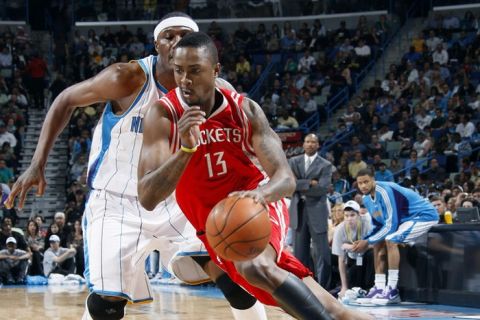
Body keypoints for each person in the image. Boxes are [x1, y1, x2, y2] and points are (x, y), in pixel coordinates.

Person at [5, 12, 266, 320]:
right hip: (116, 202)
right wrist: (37, 163)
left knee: (234, 279)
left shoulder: (215, 90)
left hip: (176, 200)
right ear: (156, 44)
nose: (177, 42)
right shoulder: (127, 78)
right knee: (106, 304)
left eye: (185, 36)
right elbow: (65, 100)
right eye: (169, 36)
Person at [138, 31, 372, 320]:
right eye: (178, 71)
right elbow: (147, 197)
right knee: (330, 308)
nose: (184, 80)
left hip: (256, 203)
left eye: (194, 71)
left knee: (253, 266)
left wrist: (260, 196)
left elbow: (285, 179)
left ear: (215, 71)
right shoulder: (163, 115)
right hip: (215, 227)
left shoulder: (244, 110)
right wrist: (186, 148)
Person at [352, 168, 438, 304]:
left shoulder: (385, 191)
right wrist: (368, 240)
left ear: (373, 180)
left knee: (391, 239)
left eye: (366, 182)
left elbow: (392, 224)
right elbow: (379, 225)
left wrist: (366, 241)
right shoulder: (366, 198)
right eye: (360, 183)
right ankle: (379, 287)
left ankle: (392, 290)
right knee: (377, 241)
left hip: (423, 215)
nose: (363, 186)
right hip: (406, 220)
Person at [288, 133, 333, 288]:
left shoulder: (326, 164)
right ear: (303, 144)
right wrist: (310, 183)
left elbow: (323, 188)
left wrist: (299, 185)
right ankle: (301, 288)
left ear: (318, 145)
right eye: (307, 141)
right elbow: (289, 186)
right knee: (299, 255)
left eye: (314, 142)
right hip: (298, 212)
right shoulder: (293, 161)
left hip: (317, 212)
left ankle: (323, 288)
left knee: (323, 254)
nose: (310, 144)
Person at [331, 200, 373, 299]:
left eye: (352, 215)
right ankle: (342, 287)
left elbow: (377, 245)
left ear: (359, 215)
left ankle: (371, 287)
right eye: (346, 216)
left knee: (372, 254)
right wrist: (344, 287)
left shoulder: (367, 222)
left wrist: (363, 246)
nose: (349, 219)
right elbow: (341, 259)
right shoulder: (340, 230)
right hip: (352, 259)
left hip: (367, 258)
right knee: (353, 286)